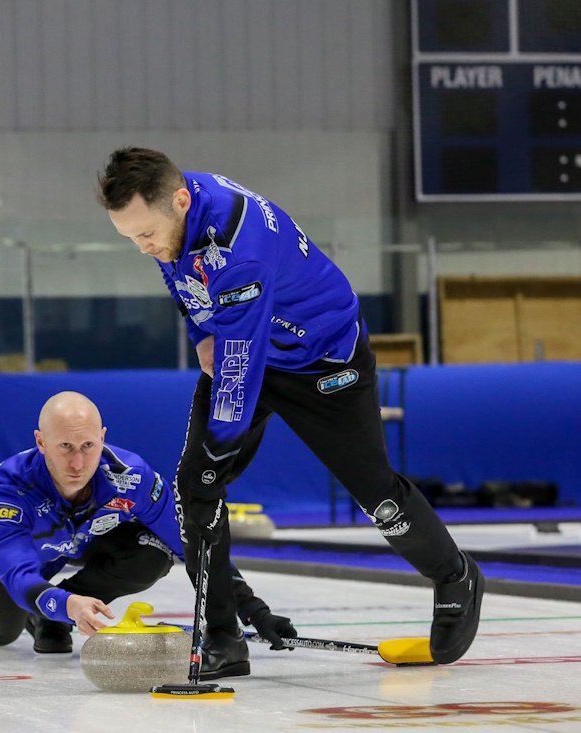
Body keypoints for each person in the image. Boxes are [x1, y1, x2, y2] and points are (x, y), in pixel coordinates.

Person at [96, 147, 484, 671]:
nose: (143, 247)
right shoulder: (178, 211)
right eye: (130, 238)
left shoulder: (239, 251)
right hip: (249, 342)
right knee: (195, 489)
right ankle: (222, 635)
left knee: (375, 493)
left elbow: (239, 365)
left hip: (324, 360)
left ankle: (454, 575)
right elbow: (182, 275)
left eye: (145, 234)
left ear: (182, 201)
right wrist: (200, 332)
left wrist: (219, 441)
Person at [0, 391, 296, 679]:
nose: (78, 462)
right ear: (40, 441)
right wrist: (66, 605)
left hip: (85, 539)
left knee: (154, 553)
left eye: (88, 445)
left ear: (102, 437)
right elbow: (19, 576)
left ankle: (53, 614)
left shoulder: (131, 476)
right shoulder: (7, 490)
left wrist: (253, 609)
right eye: (65, 446)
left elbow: (190, 543)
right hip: (27, 560)